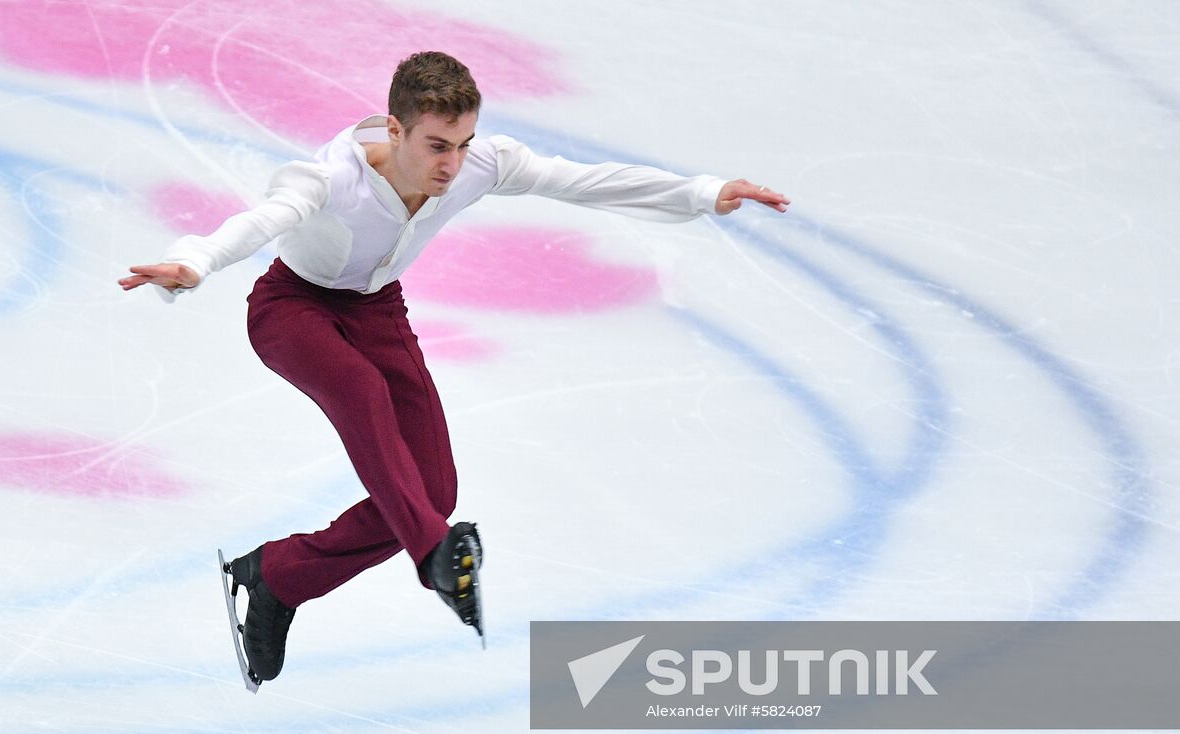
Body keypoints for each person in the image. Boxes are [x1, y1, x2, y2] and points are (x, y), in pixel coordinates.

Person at [120, 51, 790, 687]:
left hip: (379, 312)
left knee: (432, 493)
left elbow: (583, 181)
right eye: (437, 145)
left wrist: (703, 191)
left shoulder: (477, 165)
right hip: (292, 310)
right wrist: (196, 261)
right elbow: (261, 221)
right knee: (363, 395)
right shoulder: (328, 179)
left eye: (464, 142)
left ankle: (277, 575)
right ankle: (434, 559)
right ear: (395, 128)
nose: (453, 163)